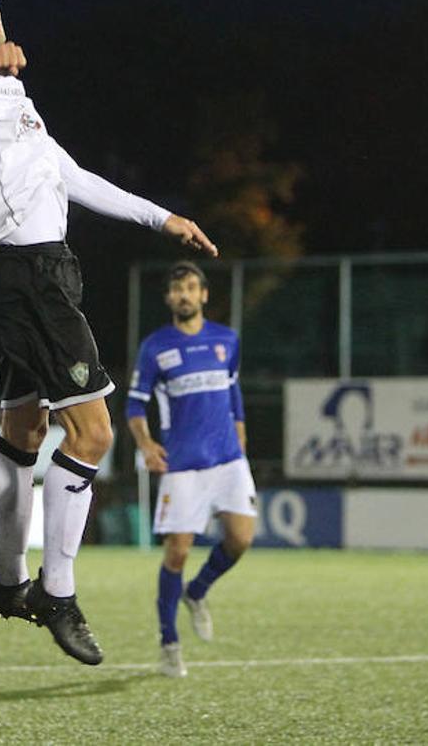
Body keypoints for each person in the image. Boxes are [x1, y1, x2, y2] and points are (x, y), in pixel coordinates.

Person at [0, 0, 218, 665]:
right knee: (95, 431)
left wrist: (161, 217)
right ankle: (58, 589)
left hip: (40, 269)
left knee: (24, 426)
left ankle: (7, 581)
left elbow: (70, 176)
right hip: (27, 271)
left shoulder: (14, 98)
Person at [126, 260, 254, 679]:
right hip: (182, 464)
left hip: (228, 459)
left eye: (191, 287)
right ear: (168, 298)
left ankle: (197, 593)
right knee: (177, 551)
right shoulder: (155, 347)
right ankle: (169, 642)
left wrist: (240, 433)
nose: (184, 294)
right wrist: (145, 444)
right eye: (177, 288)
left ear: (204, 295)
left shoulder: (226, 339)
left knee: (240, 539)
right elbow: (133, 404)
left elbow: (233, 390)